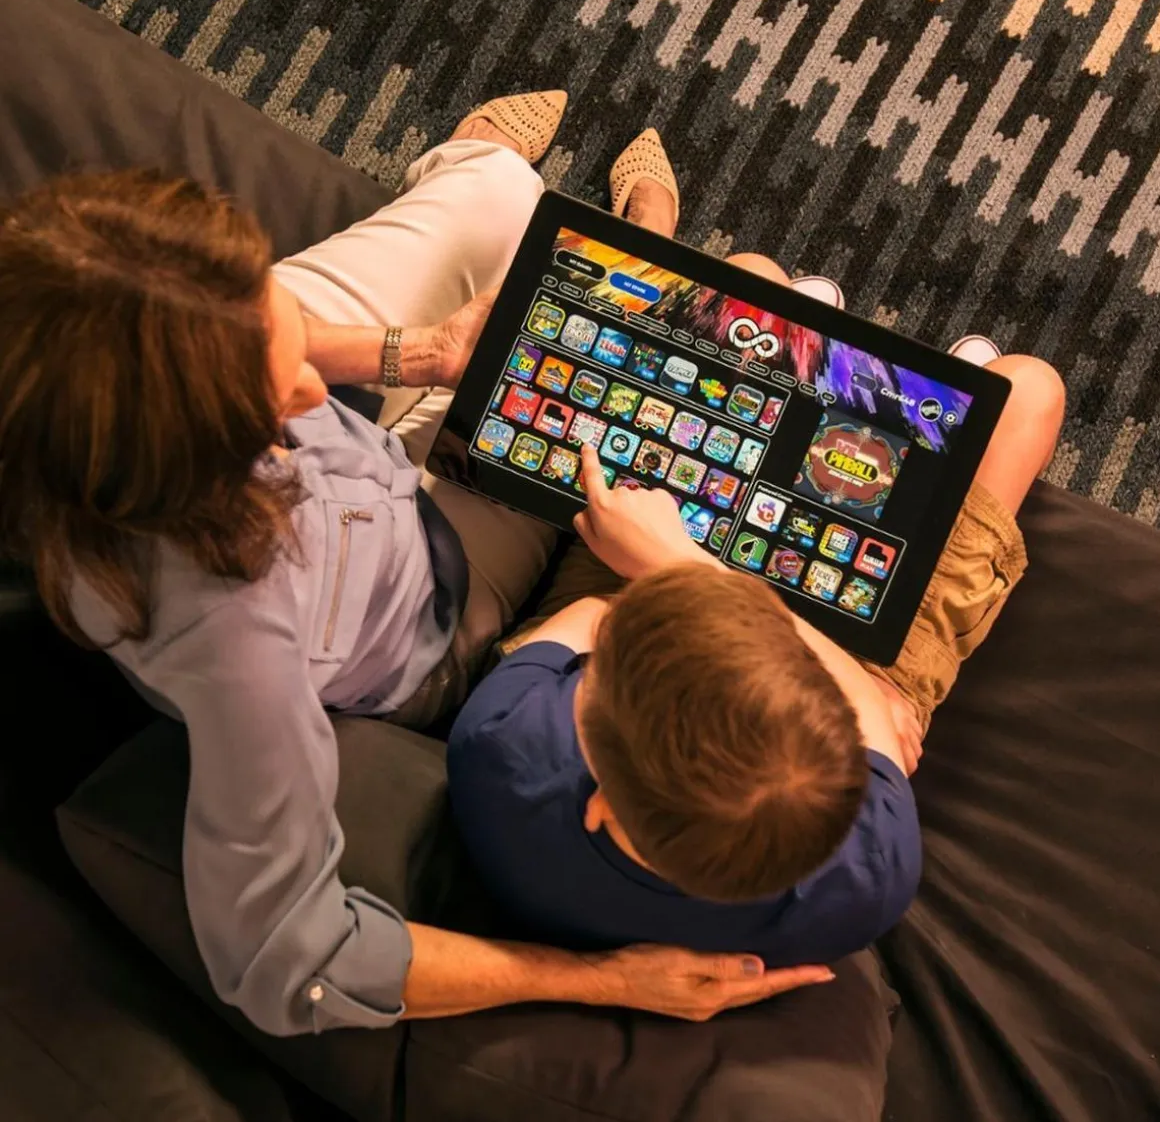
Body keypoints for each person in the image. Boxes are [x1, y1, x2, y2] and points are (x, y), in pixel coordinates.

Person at [0, 93, 835, 1036]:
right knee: (648, 349)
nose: (317, 391)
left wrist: (420, 354)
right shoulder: (237, 640)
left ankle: (482, 184)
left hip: (338, 454)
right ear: (188, 455)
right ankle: (649, 243)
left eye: (277, 334)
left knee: (503, 189)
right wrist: (602, 981)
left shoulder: (68, 367)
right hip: (433, 593)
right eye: (277, 398)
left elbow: (281, 355)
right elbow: (291, 965)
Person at [445, 167, 1067, 965]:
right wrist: (683, 565)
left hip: (668, 606)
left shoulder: (502, 754)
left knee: (750, 280)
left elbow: (597, 618)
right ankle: (902, 407)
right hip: (840, 656)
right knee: (1027, 392)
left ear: (598, 806)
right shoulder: (869, 873)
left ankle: (832, 368)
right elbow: (872, 716)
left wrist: (676, 568)